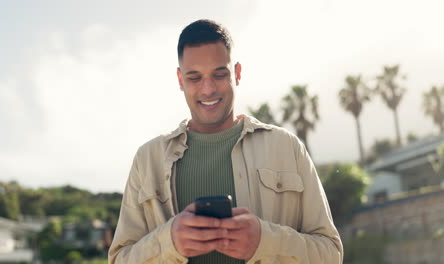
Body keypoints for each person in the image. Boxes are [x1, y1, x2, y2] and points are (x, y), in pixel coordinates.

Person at [108, 19, 343, 264]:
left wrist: (265, 242)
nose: (208, 89)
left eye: (219, 74)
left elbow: (331, 254)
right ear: (180, 80)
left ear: (237, 73)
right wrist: (169, 243)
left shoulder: (287, 148)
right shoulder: (147, 160)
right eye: (194, 78)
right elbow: (118, 260)